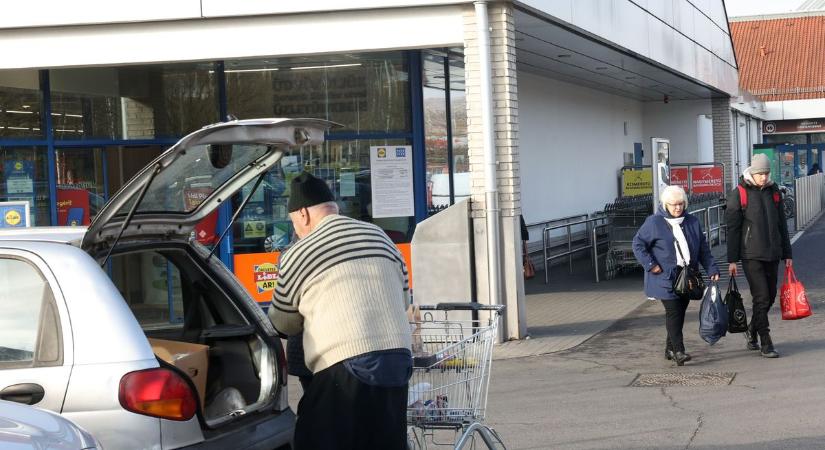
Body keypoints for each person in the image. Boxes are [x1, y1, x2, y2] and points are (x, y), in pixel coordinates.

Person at [268, 172, 412, 450]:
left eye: (294, 222)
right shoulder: (379, 236)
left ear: (303, 214)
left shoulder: (300, 252)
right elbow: (403, 299)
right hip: (397, 361)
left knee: (314, 439)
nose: (296, 229)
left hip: (344, 365)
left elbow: (283, 322)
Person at [632, 185, 720, 366]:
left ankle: (669, 349)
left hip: (687, 277)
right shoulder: (654, 222)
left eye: (680, 204)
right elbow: (638, 244)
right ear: (665, 204)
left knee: (679, 312)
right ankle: (679, 351)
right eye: (673, 205)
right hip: (664, 276)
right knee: (673, 312)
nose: (677, 208)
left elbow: (703, 249)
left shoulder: (692, 222)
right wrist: (651, 265)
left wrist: (712, 269)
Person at [725, 153, 792, 358]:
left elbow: (782, 225)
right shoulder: (739, 194)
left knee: (769, 297)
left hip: (772, 253)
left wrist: (787, 253)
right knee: (761, 296)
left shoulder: (774, 192)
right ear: (752, 173)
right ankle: (766, 341)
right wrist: (732, 260)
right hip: (751, 254)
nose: (763, 177)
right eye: (760, 173)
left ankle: (752, 331)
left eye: (766, 173)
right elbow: (733, 229)